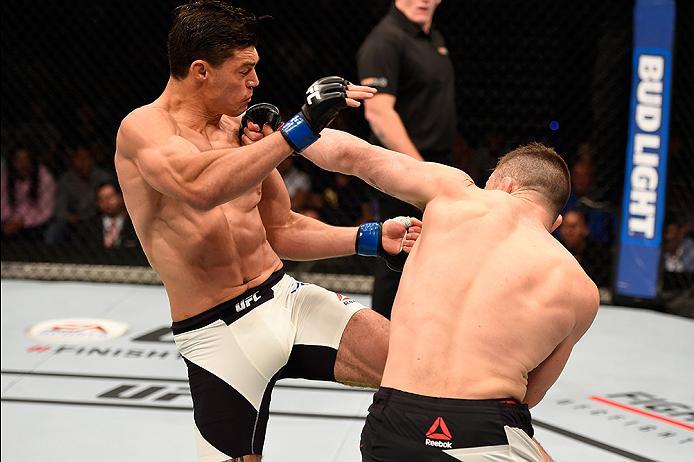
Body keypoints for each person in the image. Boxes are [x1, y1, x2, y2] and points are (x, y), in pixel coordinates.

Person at [113, 2, 421, 460]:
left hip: (285, 299)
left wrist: (371, 237)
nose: (255, 82)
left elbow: (283, 228)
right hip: (217, 332)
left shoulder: (242, 133)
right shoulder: (143, 131)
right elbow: (198, 187)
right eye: (244, 71)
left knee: (424, 365)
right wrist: (297, 131)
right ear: (200, 71)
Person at [301, 131, 600, 461]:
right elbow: (531, 395)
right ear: (556, 222)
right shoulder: (580, 289)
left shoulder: (453, 191)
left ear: (503, 184)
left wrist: (283, 132)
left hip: (393, 421)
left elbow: (352, 156)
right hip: (485, 429)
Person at [357, 0, 456, 319]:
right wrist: (419, 170)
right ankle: (383, 347)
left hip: (433, 163)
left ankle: (422, 340)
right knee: (397, 251)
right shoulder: (384, 41)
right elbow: (379, 113)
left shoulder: (432, 39)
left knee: (430, 254)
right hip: (403, 168)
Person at [1, 143, 56, 245]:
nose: (23, 165)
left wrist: (22, 222)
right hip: (9, 221)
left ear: (32, 161)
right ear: (12, 162)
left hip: (36, 223)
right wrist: (9, 221)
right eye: (18, 160)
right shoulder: (6, 176)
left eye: (26, 160)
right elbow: (3, 203)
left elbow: (46, 212)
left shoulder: (45, 178)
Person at [559, 208, 611, 287]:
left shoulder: (599, 254)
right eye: (565, 226)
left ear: (585, 229)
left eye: (573, 226)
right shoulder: (556, 251)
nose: (568, 231)